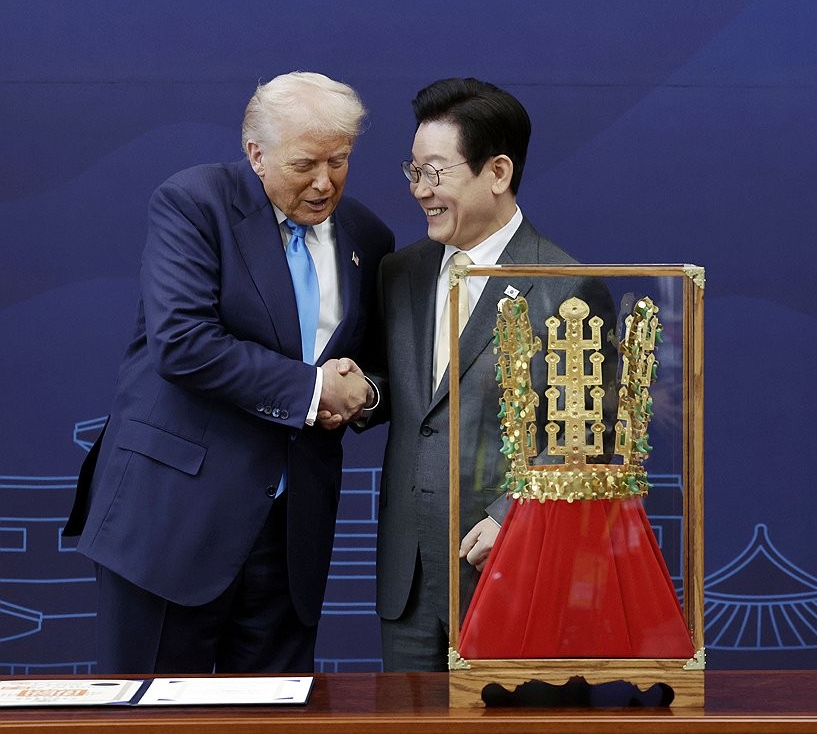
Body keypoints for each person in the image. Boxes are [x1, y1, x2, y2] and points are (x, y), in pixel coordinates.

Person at [64, 71, 395, 674]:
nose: (325, 182)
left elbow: (374, 368)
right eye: (305, 164)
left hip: (291, 538)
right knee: (153, 713)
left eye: (340, 160)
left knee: (274, 711)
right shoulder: (195, 203)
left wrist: (364, 394)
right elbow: (183, 342)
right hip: (174, 521)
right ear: (256, 154)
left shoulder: (367, 237)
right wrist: (313, 389)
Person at [366, 77, 613, 671]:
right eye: (413, 171)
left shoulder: (565, 285)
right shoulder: (400, 273)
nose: (419, 190)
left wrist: (512, 516)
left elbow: (586, 432)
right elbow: (409, 395)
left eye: (435, 172)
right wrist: (359, 393)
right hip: (409, 577)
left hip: (509, 568)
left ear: (497, 172)